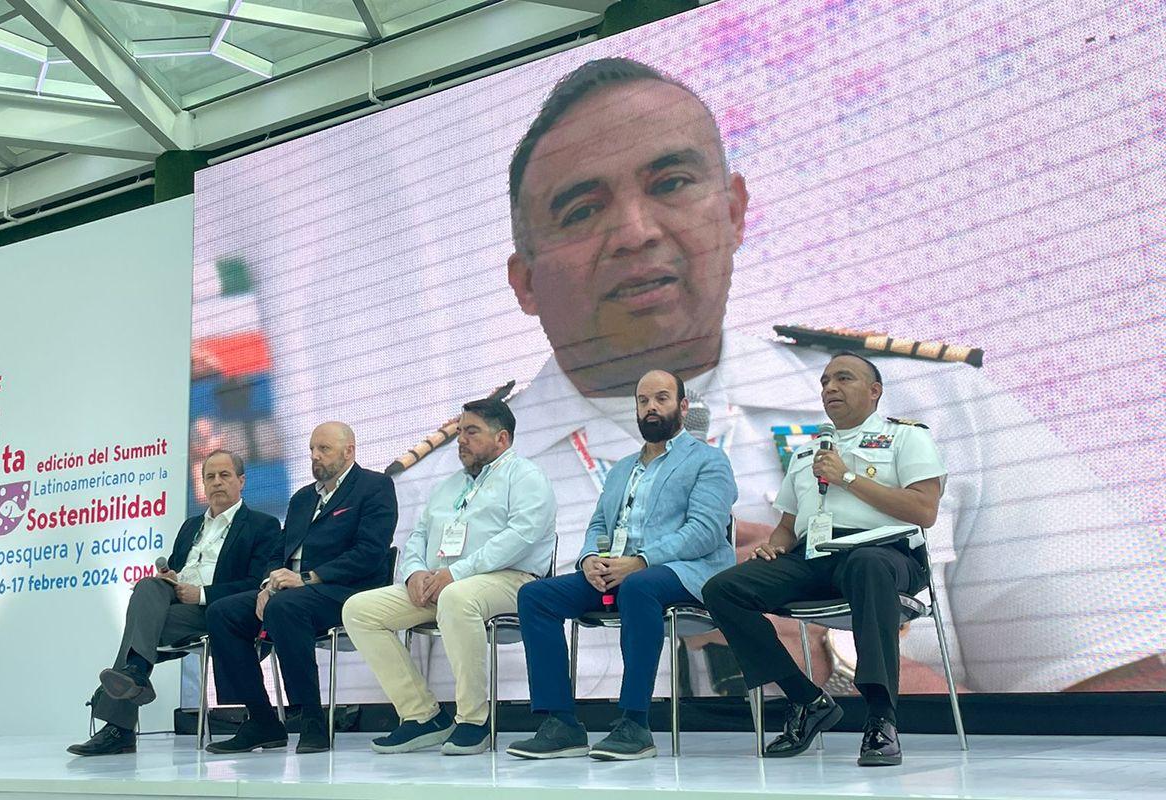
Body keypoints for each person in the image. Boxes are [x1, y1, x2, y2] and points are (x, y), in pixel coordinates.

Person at [391, 56, 1165, 698]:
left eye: (671, 184)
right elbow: (347, 744)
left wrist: (851, 666)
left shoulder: (938, 408)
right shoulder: (427, 493)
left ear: (732, 210)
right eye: (581, 209)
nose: (634, 232)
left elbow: (1125, 700)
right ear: (523, 281)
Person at [705, 352, 946, 767]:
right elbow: (786, 524)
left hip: (884, 553)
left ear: (875, 392)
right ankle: (806, 700)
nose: (830, 387)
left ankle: (881, 719)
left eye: (843, 378)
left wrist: (846, 477)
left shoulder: (906, 438)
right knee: (723, 589)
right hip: (815, 557)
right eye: (824, 381)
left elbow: (924, 510)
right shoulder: (806, 452)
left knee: (867, 565)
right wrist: (775, 546)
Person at [507, 370, 735, 761]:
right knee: (535, 596)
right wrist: (589, 559)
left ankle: (635, 723)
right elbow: (599, 523)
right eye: (643, 401)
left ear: (682, 406)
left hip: (684, 570)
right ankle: (561, 723)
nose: (651, 407)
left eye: (661, 399)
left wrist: (642, 561)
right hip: (618, 569)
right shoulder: (622, 467)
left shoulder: (708, 461)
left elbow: (706, 531)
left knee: (639, 586)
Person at [342, 398, 555, 755]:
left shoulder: (526, 476)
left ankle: (474, 720)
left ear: (501, 439)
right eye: (459, 432)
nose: (461, 441)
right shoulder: (448, 485)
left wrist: (456, 573)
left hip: (511, 580)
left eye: (472, 432)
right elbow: (419, 536)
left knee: (458, 598)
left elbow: (521, 536)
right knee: (359, 609)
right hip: (442, 582)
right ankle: (422, 715)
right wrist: (413, 573)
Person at [67, 450, 280, 757]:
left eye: (225, 476)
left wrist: (203, 593)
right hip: (179, 605)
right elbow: (179, 571)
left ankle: (121, 723)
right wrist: (173, 577)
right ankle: (135, 675)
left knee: (142, 623)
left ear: (241, 481)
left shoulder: (263, 525)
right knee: (149, 585)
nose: (217, 483)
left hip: (220, 612)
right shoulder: (190, 526)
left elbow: (255, 584)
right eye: (210, 477)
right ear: (203, 484)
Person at [204, 422, 397, 755]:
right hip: (291, 593)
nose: (315, 456)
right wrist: (266, 585)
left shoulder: (374, 486)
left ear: (349, 450)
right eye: (311, 449)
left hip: (346, 592)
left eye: (324, 449)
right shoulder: (302, 498)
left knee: (285, 607)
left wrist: (308, 578)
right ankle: (262, 720)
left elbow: (370, 553)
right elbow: (278, 552)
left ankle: (310, 720)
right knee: (223, 612)